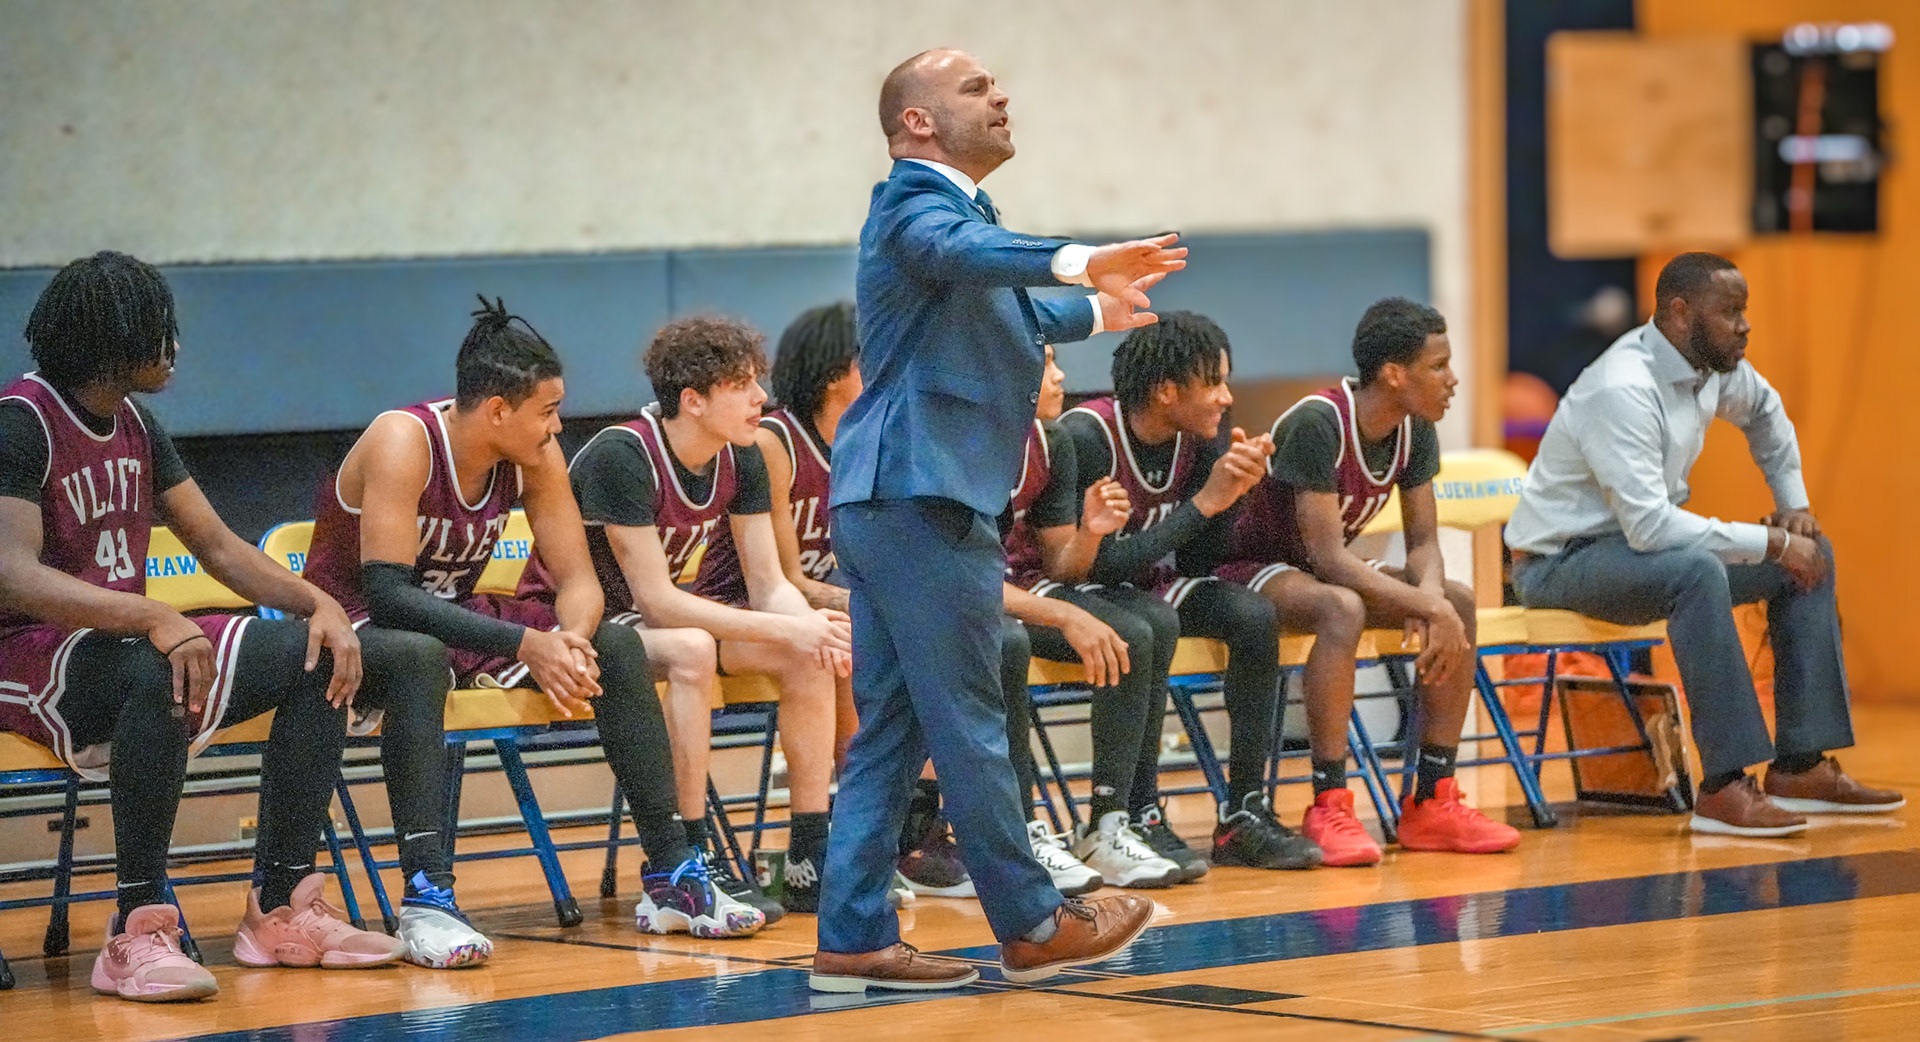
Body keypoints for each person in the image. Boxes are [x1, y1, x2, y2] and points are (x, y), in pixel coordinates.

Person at [811, 48, 1182, 993]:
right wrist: (1080, 256)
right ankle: (1033, 920)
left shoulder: (965, 222)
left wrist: (1096, 309)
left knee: (892, 730)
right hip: (919, 495)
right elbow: (963, 258)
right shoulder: (911, 206)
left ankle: (853, 934)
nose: (1002, 94)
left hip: (898, 498)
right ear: (919, 121)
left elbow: (1001, 305)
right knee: (971, 717)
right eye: (976, 87)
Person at [0, 252, 410, 1002]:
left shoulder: (137, 425)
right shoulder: (20, 424)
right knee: (164, 667)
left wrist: (317, 603)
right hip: (26, 653)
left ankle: (282, 905)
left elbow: (219, 547)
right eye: (161, 330)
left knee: (316, 657)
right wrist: (155, 614)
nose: (175, 346)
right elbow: (13, 574)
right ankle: (137, 925)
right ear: (112, 335)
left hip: (120, 644)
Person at [303, 297, 765, 948]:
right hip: (355, 629)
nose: (556, 426)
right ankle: (426, 897)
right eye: (547, 411)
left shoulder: (536, 457)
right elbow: (389, 596)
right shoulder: (403, 440)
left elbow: (577, 580)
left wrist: (569, 642)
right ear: (498, 409)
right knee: (415, 655)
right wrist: (527, 642)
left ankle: (673, 876)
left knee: (616, 645)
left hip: (455, 622)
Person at [1507, 252, 1902, 837]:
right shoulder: (1621, 387)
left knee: (1811, 558)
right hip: (1563, 564)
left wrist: (1792, 509)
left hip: (1638, 552)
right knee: (1698, 572)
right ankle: (1723, 786)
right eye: (1731, 313)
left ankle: (1800, 766)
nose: (1745, 326)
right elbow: (1651, 529)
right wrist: (1768, 542)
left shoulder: (1714, 368)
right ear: (1680, 312)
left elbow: (1769, 414)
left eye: (1745, 312)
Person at [527, 314, 849, 919]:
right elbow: (656, 600)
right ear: (693, 401)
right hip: (578, 623)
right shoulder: (624, 454)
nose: (761, 398)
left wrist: (808, 626)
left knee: (811, 651)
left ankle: (810, 854)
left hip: (656, 624)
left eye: (760, 382)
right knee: (694, 647)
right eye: (743, 385)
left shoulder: (743, 455)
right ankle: (687, 856)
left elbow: (769, 583)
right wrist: (791, 623)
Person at [1216, 297, 1521, 865]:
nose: (1452, 380)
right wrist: (1428, 609)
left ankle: (1432, 799)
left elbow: (1424, 544)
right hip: (1246, 568)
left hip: (1316, 571)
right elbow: (1329, 558)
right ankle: (1328, 803)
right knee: (1342, 608)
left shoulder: (1415, 430)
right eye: (1439, 366)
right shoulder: (1317, 422)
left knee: (1456, 597)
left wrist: (1433, 605)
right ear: (1394, 374)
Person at [1060, 312, 1323, 871]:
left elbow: (1201, 560)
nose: (1227, 398)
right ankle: (1139, 811)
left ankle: (1244, 814)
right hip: (1079, 587)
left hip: (1148, 584)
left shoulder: (1198, 439)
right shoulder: (1087, 436)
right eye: (1214, 383)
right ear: (1165, 391)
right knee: (1151, 621)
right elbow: (1100, 565)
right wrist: (1207, 501)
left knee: (1253, 616)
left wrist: (1233, 497)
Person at [756, 303, 974, 901]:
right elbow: (784, 577)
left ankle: (915, 830)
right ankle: (846, 846)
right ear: (836, 371)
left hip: (836, 607)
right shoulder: (776, 442)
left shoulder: (877, 436)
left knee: (933, 634)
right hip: (774, 609)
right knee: (861, 637)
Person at [1001, 345, 1184, 890]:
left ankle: (1107, 823)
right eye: (1047, 364)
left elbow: (1063, 565)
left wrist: (1091, 532)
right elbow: (957, 576)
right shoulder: (959, 444)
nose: (1060, 377)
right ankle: (1022, 831)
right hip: (968, 599)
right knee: (1005, 643)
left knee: (1141, 626)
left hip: (1026, 589)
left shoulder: (1050, 440)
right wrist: (1062, 615)